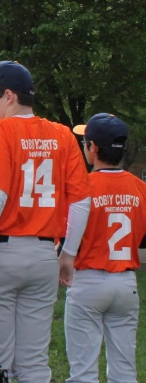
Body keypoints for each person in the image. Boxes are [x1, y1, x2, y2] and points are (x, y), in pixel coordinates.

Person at [0, 61, 91, 382]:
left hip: (0, 253)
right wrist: (68, 254)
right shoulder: (62, 134)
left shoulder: (1, 129)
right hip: (42, 256)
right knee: (35, 363)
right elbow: (81, 201)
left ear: (8, 96)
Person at [65, 114, 146, 382]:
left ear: (93, 149)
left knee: (83, 371)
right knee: (124, 370)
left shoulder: (81, 187)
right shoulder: (140, 188)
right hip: (126, 282)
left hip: (88, 278)